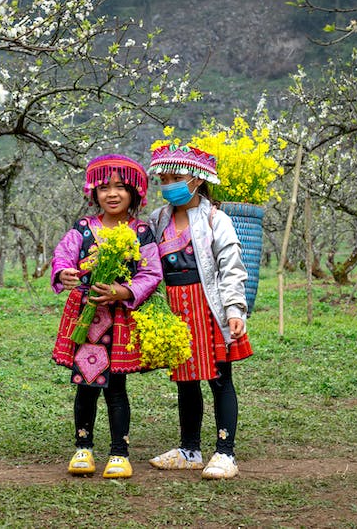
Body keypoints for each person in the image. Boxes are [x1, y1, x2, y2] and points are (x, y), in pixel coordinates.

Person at [51, 155, 162, 479]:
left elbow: (151, 272)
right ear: (94, 193)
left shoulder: (141, 232)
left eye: (120, 187)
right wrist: (65, 273)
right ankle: (82, 449)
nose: (112, 194)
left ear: (134, 192)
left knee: (116, 387)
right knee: (84, 384)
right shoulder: (83, 229)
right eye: (104, 188)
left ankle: (119, 453)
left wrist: (124, 292)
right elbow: (63, 256)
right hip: (86, 319)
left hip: (120, 321)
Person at [146, 144, 252, 479]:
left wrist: (234, 309)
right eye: (164, 178)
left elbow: (231, 268)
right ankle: (190, 450)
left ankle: (225, 452)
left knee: (220, 379)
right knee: (185, 381)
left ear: (197, 179)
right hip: (175, 309)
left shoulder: (215, 220)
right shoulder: (157, 219)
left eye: (176, 177)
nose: (169, 184)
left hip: (208, 307)